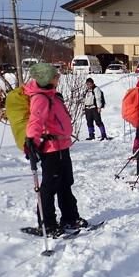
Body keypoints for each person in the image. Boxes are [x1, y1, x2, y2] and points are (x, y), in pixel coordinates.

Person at [24, 63, 87, 235]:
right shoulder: (40, 98)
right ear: (46, 79)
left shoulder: (53, 96)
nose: (58, 78)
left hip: (62, 147)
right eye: (55, 76)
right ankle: (48, 224)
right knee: (49, 187)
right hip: (51, 149)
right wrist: (31, 141)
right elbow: (35, 122)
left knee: (65, 183)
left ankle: (70, 218)